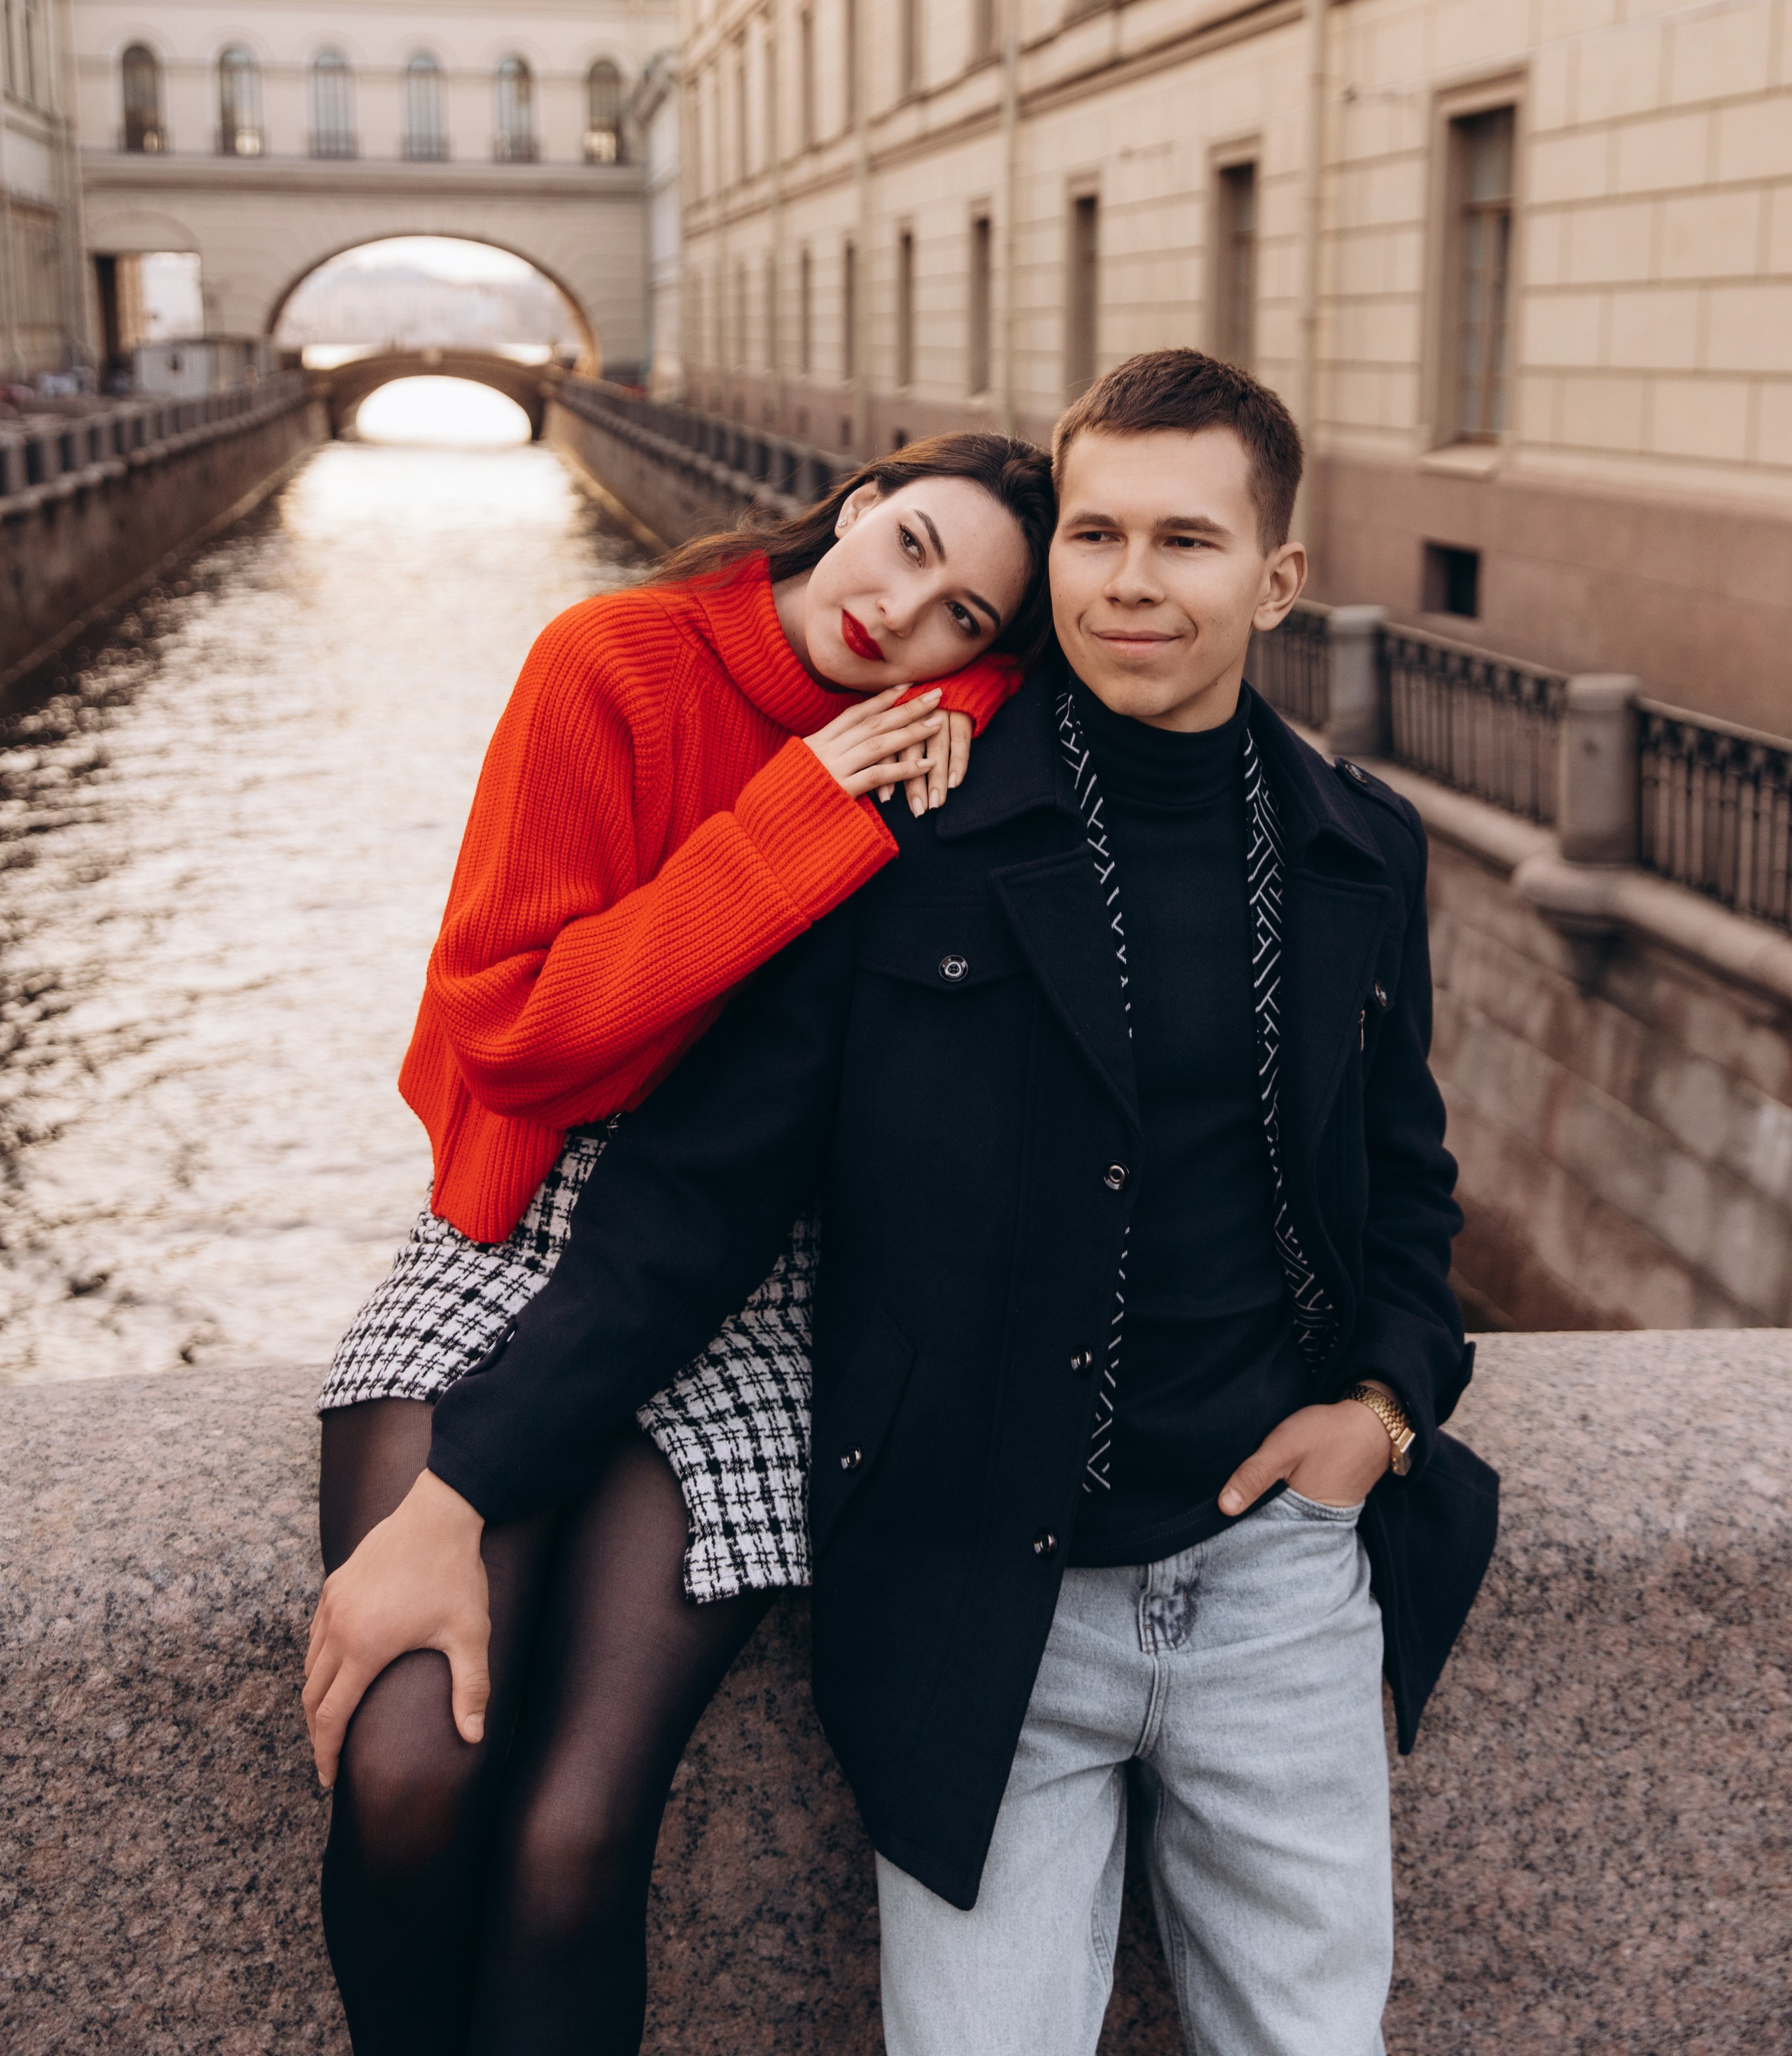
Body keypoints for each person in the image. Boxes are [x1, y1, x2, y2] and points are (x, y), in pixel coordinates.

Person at [309, 351, 1499, 2056]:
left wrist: (1378, 1410)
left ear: (1277, 580)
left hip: (1279, 1582)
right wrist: (460, 1489)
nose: (1130, 583)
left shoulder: (1356, 850)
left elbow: (1402, 1179)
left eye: (1183, 541)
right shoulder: (898, 837)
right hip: (989, 1595)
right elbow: (689, 1204)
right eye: (1094, 538)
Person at [311, 430, 1056, 2055]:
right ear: (858, 504)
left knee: (580, 1842)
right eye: (910, 545)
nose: (906, 613)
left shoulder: (933, 725)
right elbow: (514, 1040)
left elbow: (1038, 707)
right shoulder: (615, 665)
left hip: (755, 1275)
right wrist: (796, 816)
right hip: (520, 1217)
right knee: (408, 1769)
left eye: (965, 621)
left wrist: (966, 706)